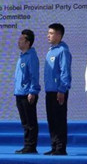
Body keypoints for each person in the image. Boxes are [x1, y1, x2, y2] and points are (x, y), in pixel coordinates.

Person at [43, 23, 72, 155]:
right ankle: (54, 146)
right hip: (49, 90)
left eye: (51, 33)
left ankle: (61, 147)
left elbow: (65, 72)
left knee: (59, 119)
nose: (48, 36)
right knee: (51, 119)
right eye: (48, 33)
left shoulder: (63, 51)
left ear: (59, 35)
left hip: (58, 91)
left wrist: (62, 90)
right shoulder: (50, 51)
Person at [14, 29, 40, 154]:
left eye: (21, 39)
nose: (18, 41)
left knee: (30, 121)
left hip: (27, 93)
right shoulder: (22, 56)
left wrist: (32, 91)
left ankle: (31, 146)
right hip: (19, 92)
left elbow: (34, 75)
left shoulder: (31, 57)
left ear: (28, 42)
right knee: (25, 122)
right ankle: (27, 145)